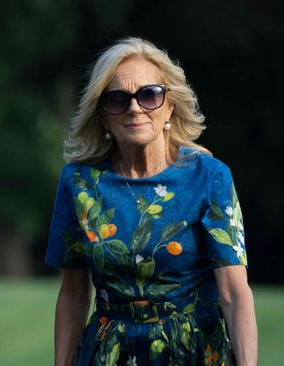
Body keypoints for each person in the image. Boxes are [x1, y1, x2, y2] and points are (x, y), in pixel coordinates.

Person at [45, 37, 257, 365]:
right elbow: (73, 293)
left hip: (194, 351)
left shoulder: (209, 176)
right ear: (102, 115)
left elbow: (234, 293)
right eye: (117, 99)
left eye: (149, 95)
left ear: (170, 104)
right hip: (108, 353)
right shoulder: (79, 183)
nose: (134, 108)